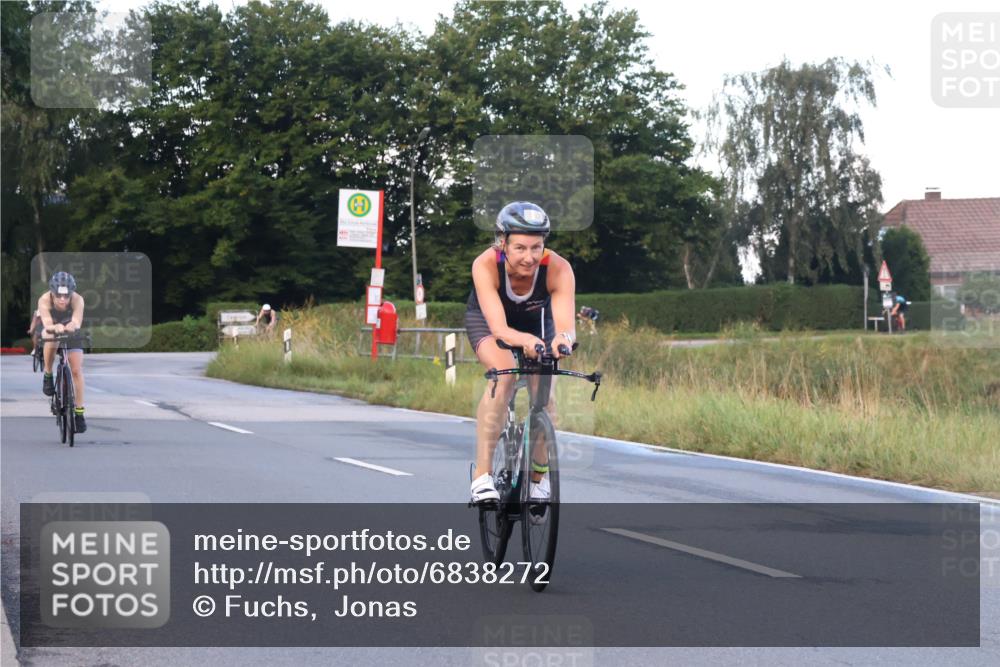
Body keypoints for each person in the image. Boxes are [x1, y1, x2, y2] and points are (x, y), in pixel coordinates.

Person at [464, 202, 576, 504]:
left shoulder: (559, 268)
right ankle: (482, 476)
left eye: (536, 247)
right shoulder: (486, 264)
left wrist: (562, 340)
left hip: (536, 322)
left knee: (545, 397)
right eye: (520, 248)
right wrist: (525, 341)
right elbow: (500, 329)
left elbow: (566, 326)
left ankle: (538, 479)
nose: (529, 257)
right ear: (502, 243)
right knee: (504, 376)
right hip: (489, 322)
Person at [38, 271, 87, 432]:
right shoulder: (44, 299)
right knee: (50, 337)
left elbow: (77, 320)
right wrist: (55, 327)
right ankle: (48, 374)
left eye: (66, 296)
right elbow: (47, 323)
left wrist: (73, 325)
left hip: (70, 330)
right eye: (58, 295)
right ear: (52, 292)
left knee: (76, 370)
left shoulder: (78, 299)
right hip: (52, 328)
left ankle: (79, 414)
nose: (62, 299)